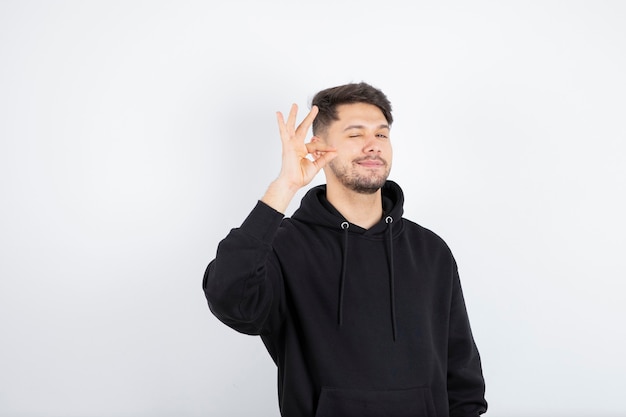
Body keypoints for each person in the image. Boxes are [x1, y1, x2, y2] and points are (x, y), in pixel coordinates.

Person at [203, 82, 488, 417]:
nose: (373, 146)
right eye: (355, 135)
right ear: (319, 148)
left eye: (381, 135)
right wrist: (285, 186)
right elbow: (230, 300)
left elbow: (463, 377)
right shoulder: (283, 246)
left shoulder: (430, 250)